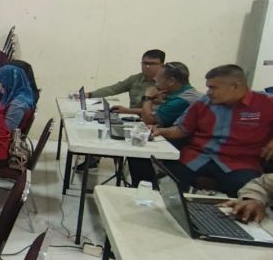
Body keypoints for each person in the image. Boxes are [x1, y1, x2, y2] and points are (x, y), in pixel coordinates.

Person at [153, 65, 273, 197]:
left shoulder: (265, 103)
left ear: (236, 86)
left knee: (248, 193)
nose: (208, 92)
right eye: (208, 87)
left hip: (239, 163)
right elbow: (182, 129)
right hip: (197, 157)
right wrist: (161, 131)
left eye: (213, 87)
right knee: (165, 182)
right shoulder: (203, 103)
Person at [78, 49, 164, 171]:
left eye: (152, 64)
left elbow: (157, 112)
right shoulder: (136, 79)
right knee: (103, 125)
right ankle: (93, 158)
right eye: (144, 63)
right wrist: (90, 94)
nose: (147, 66)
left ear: (162, 65)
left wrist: (128, 111)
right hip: (132, 119)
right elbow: (115, 88)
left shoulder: (164, 85)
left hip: (151, 125)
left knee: (113, 128)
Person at [127, 62, 203, 186]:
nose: (155, 84)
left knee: (138, 156)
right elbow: (155, 114)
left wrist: (148, 98)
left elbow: (148, 120)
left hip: (182, 146)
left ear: (171, 81)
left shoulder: (182, 100)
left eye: (158, 80)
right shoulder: (182, 94)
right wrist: (127, 110)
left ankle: (144, 191)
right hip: (174, 139)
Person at [0, 64, 36, 131]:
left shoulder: (18, 104)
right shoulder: (10, 95)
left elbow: (7, 131)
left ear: (10, 80)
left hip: (2, 137)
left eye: (0, 81)